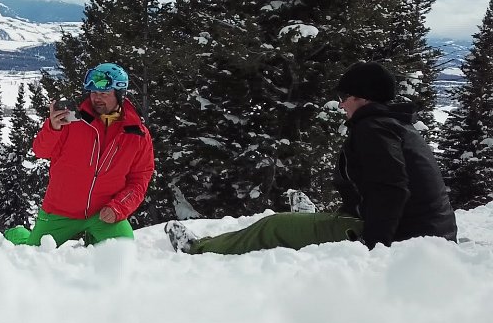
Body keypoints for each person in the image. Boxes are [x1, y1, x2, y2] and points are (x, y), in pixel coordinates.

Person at [165, 61, 458, 254]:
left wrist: (374, 246)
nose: (341, 105)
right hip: (430, 235)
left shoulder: (373, 129)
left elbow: (391, 189)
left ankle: (197, 248)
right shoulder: (395, 124)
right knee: (310, 221)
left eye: (344, 97)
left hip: (406, 240)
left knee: (273, 226)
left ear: (362, 97)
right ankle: (313, 218)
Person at [5, 63, 155, 246]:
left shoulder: (137, 134)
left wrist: (119, 207)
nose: (96, 98)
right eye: (93, 92)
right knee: (32, 253)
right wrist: (53, 128)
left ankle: (93, 238)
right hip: (59, 211)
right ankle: (18, 234)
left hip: (103, 214)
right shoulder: (71, 121)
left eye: (104, 93)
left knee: (123, 251)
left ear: (120, 94)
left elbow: (139, 179)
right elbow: (40, 151)